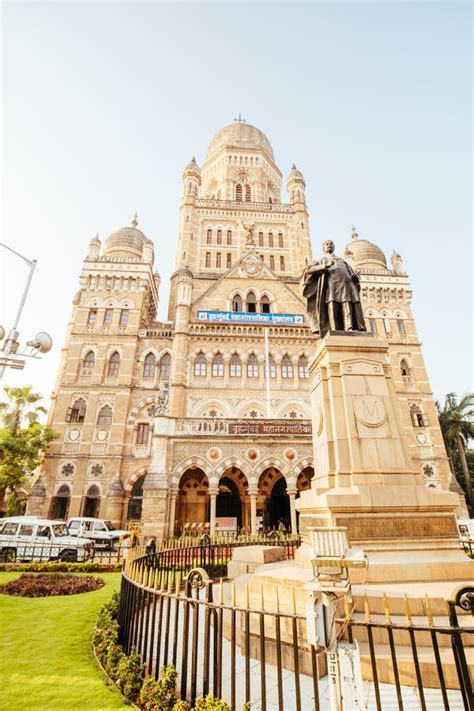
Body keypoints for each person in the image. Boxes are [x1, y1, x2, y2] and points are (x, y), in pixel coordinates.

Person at [302, 240, 366, 337]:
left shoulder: (342, 261)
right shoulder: (320, 261)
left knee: (347, 305)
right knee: (332, 306)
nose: (329, 245)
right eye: (327, 244)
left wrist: (355, 278)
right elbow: (308, 270)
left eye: (331, 244)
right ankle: (335, 329)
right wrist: (323, 266)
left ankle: (350, 327)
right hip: (331, 287)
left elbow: (352, 274)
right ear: (323, 248)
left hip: (347, 287)